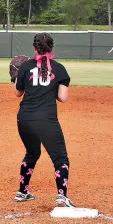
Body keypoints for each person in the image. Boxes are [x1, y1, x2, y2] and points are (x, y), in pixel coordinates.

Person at [13, 33, 76, 208]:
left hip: (24, 118)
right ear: (51, 48)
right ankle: (62, 196)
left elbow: (17, 93)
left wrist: (15, 78)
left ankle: (22, 192)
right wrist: (49, 88)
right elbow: (62, 98)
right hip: (46, 119)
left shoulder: (25, 67)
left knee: (32, 153)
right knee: (60, 158)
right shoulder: (60, 69)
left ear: (34, 48)